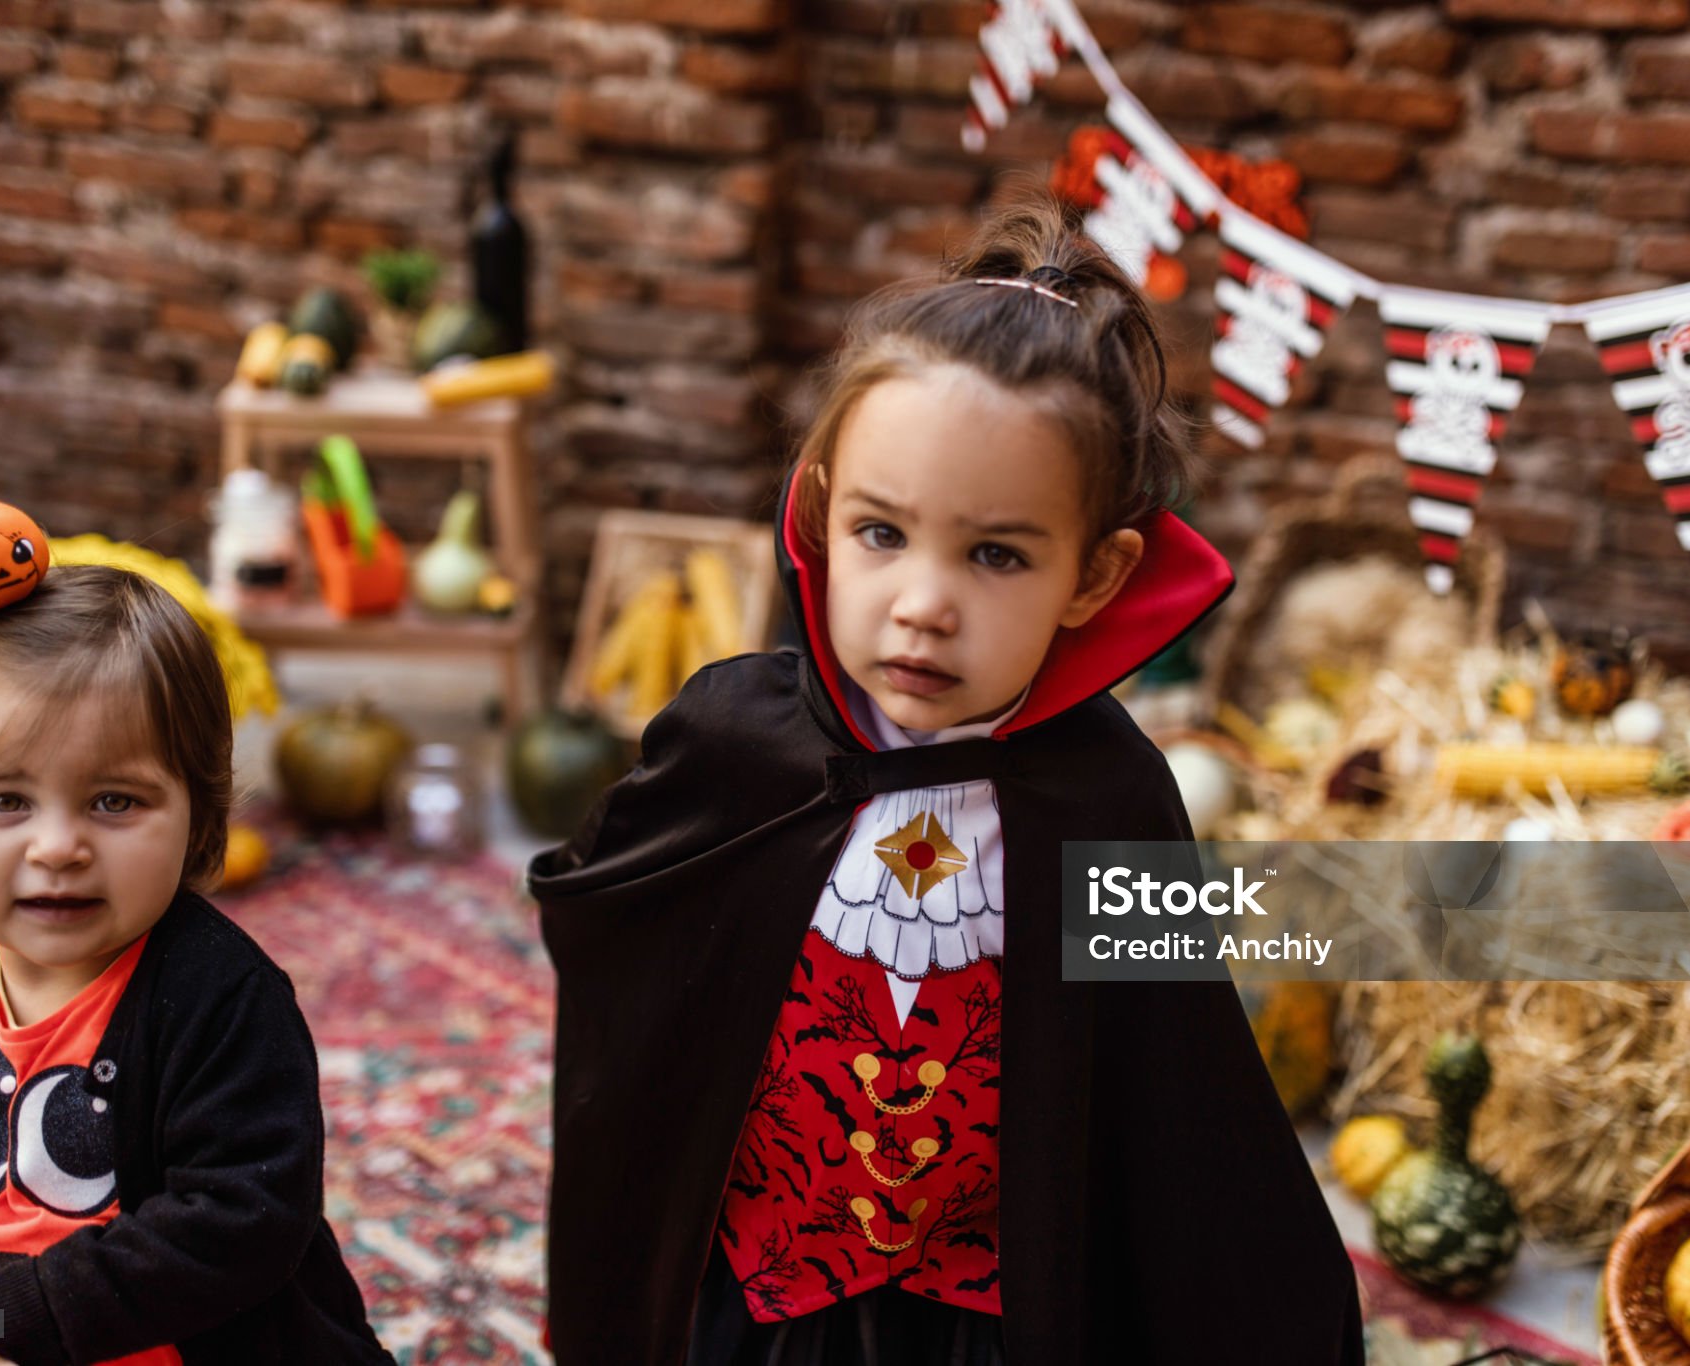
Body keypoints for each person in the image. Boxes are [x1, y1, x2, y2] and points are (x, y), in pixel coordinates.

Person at [530, 193, 1366, 1365]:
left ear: (1093, 577)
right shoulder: (734, 742)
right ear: (819, 512)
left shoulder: (1105, 797)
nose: (923, 604)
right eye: (881, 533)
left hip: (982, 1317)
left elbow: (1181, 1089)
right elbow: (614, 920)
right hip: (759, 1299)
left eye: (995, 554)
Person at [0, 555, 394, 1366]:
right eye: (4, 801)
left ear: (199, 816)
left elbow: (244, 1217)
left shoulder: (222, 999)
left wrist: (7, 1320)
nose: (59, 847)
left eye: (114, 801)